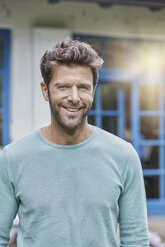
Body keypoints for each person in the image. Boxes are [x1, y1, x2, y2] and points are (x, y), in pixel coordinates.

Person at [0, 39, 149, 247]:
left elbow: (136, 240)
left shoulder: (124, 156)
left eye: (83, 87)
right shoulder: (12, 157)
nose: (74, 97)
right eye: (63, 87)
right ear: (45, 90)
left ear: (93, 91)